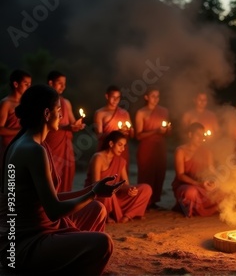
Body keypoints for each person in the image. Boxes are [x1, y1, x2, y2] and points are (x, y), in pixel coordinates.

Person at [0, 85, 122, 274]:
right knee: (102, 243)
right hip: (26, 243)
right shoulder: (32, 149)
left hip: (43, 228)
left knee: (97, 209)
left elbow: (53, 197)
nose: (62, 116)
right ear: (47, 113)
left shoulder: (35, 143)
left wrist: (92, 189)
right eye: (58, 110)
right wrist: (93, 193)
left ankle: (69, 258)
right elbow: (54, 211)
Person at [85, 131, 152, 223]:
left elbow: (125, 184)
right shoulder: (98, 157)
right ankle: (107, 216)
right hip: (99, 196)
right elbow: (96, 185)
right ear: (111, 143)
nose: (123, 149)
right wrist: (111, 188)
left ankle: (128, 215)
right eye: (120, 145)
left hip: (115, 196)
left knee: (146, 188)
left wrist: (130, 190)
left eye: (124, 146)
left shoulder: (120, 161)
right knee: (108, 193)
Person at [45, 71, 85, 193]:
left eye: (64, 84)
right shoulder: (45, 101)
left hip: (66, 144)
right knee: (51, 171)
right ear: (50, 83)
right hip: (52, 142)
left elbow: (72, 122)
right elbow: (44, 122)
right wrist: (66, 127)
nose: (63, 86)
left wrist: (77, 125)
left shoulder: (66, 102)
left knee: (67, 173)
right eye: (60, 83)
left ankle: (65, 202)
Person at [172, 122, 220, 217]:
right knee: (191, 192)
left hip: (202, 185)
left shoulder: (207, 151)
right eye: (198, 135)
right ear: (190, 135)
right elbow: (180, 175)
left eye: (203, 135)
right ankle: (188, 209)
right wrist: (198, 184)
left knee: (224, 192)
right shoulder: (181, 151)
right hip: (186, 185)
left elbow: (211, 170)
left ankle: (205, 208)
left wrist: (213, 182)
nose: (201, 138)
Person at [135, 87, 170, 209]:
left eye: (158, 96)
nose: (156, 99)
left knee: (159, 172)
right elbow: (138, 135)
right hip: (146, 147)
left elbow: (167, 132)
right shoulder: (141, 113)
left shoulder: (164, 111)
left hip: (160, 146)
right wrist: (155, 131)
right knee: (146, 173)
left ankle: (154, 201)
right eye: (153, 96)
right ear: (146, 97)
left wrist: (167, 130)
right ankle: (144, 201)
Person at [94, 85, 134, 173]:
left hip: (122, 149)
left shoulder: (124, 113)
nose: (115, 100)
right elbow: (99, 136)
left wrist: (130, 131)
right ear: (107, 96)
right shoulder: (100, 113)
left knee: (121, 176)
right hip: (107, 148)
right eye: (113, 97)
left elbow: (132, 134)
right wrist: (115, 134)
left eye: (118, 97)